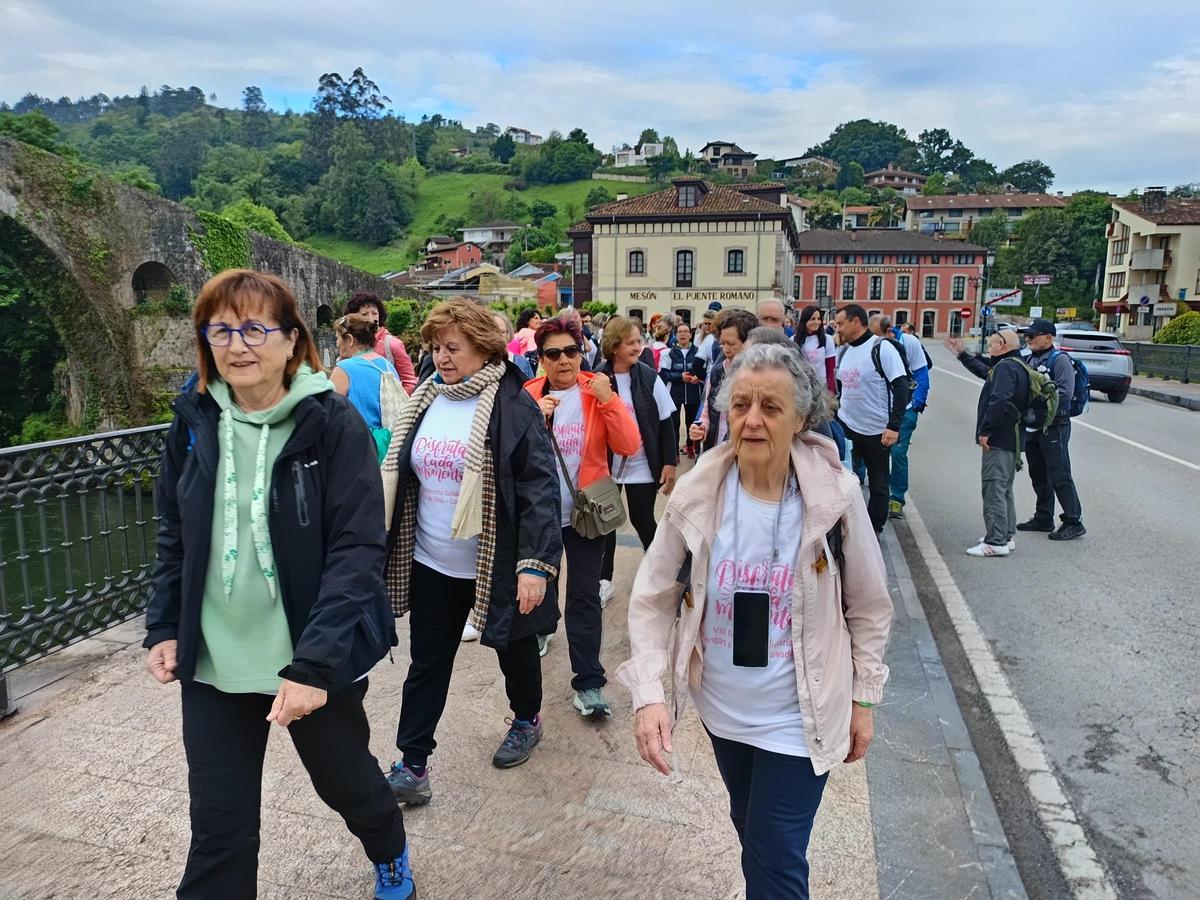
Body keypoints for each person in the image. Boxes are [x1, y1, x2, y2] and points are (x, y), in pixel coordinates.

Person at [145, 269, 414, 899]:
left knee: (345, 782)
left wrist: (314, 665)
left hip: (308, 653)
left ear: (293, 340)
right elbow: (173, 528)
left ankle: (389, 846)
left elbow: (356, 550)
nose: (238, 345)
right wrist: (163, 624)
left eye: (256, 328)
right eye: (221, 330)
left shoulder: (331, 423)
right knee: (219, 826)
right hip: (215, 657)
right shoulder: (195, 420)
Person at [619, 342, 894, 900]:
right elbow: (652, 597)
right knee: (752, 832)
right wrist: (648, 694)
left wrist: (863, 700)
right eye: (740, 404)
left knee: (774, 853)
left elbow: (868, 605)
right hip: (723, 709)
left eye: (770, 407)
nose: (751, 419)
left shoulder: (833, 498)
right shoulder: (698, 493)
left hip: (800, 714)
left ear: (801, 419)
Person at [381, 298, 563, 806]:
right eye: (436, 347)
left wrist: (534, 566)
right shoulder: (427, 399)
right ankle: (413, 764)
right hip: (432, 560)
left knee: (514, 649)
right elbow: (404, 478)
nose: (441, 357)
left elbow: (538, 491)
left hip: (497, 560)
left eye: (452, 348)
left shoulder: (513, 406)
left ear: (484, 349)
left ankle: (527, 718)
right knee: (428, 664)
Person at [524, 316, 641, 716]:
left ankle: (589, 683)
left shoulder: (596, 391)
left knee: (584, 596)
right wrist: (533, 419)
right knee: (542, 588)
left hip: (586, 514)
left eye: (571, 352)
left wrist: (610, 400)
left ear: (582, 353)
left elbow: (628, 444)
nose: (563, 361)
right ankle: (543, 629)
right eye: (553, 354)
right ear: (541, 359)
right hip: (540, 515)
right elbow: (510, 456)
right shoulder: (528, 395)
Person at [597, 316, 679, 607]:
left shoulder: (648, 376)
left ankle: (661, 572)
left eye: (639, 341)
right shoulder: (598, 379)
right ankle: (603, 581)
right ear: (614, 346)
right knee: (605, 525)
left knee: (642, 519)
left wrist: (669, 462)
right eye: (631, 342)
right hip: (607, 466)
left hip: (642, 464)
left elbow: (666, 421)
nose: (638, 346)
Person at [945, 330, 1028, 556]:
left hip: (999, 438)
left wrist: (986, 431)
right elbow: (985, 370)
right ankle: (1006, 534)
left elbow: (998, 399)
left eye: (991, 344)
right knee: (1004, 488)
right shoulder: (1016, 364)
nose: (989, 348)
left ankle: (996, 541)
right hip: (1013, 437)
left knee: (993, 488)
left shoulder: (1006, 368)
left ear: (1002, 344)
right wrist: (963, 355)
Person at [833, 304, 910, 534]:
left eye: (840, 324)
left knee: (878, 483)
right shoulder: (844, 351)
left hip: (877, 430)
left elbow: (901, 385)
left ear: (856, 322)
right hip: (847, 425)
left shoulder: (882, 348)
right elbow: (841, 386)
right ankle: (848, 527)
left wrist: (893, 425)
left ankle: (874, 529)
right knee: (846, 480)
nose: (837, 329)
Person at [1017, 319, 1086, 541]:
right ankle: (1043, 516)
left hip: (1055, 425)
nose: (1028, 339)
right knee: (1038, 472)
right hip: (1034, 425)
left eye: (1033, 335)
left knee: (1060, 473)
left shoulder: (1060, 360)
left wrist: (1034, 402)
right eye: (1027, 336)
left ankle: (1073, 521)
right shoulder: (1028, 358)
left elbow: (1064, 394)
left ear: (1048, 337)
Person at [869, 314, 929, 521]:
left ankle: (896, 498)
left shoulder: (909, 342)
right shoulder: (869, 344)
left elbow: (922, 374)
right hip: (877, 408)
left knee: (898, 452)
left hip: (905, 408)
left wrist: (915, 406)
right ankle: (869, 488)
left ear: (889, 332)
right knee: (871, 451)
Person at [331, 313, 407, 462]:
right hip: (388, 448)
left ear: (350, 340)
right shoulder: (387, 365)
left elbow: (330, 416)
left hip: (357, 450)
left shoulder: (344, 369)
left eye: (338, 338)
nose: (337, 344)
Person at [689, 309, 759, 451]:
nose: (725, 350)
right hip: (718, 450)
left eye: (731, 344)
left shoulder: (762, 376)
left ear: (749, 342)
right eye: (722, 343)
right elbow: (707, 413)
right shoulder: (717, 372)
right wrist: (701, 427)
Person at [346, 290, 418, 394]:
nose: (371, 318)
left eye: (375, 313)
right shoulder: (351, 343)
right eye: (364, 314)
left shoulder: (392, 344)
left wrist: (398, 406)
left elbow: (410, 381)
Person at [660, 322, 704, 459]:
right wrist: (680, 377)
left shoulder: (698, 352)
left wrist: (699, 377)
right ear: (676, 335)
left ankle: (691, 446)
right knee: (674, 424)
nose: (683, 334)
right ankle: (674, 452)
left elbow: (704, 371)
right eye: (680, 332)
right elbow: (664, 374)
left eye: (686, 331)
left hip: (693, 393)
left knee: (692, 422)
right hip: (674, 393)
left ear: (691, 335)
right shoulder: (668, 353)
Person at [795, 306, 836, 393]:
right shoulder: (794, 340)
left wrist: (831, 391)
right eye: (812, 319)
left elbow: (830, 368)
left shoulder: (827, 339)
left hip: (821, 388)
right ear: (805, 320)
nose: (816, 322)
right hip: (801, 388)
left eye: (818, 319)